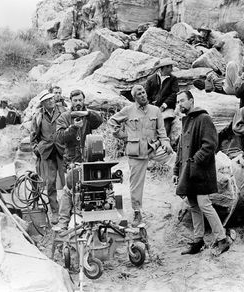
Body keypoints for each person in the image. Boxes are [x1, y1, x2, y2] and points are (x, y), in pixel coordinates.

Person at [173, 90, 230, 256]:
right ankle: (198, 241)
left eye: (182, 100)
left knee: (204, 203)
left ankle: (222, 239)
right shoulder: (186, 121)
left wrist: (195, 161)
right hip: (187, 171)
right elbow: (180, 148)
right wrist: (177, 169)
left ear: (191, 101)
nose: (180, 104)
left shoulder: (203, 118)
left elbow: (211, 144)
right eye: (178, 102)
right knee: (194, 205)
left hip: (201, 170)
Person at [108, 85, 174, 226]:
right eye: (139, 94)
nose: (143, 95)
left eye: (144, 92)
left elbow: (161, 131)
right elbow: (112, 121)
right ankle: (137, 212)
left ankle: (186, 195)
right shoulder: (128, 110)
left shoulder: (155, 110)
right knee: (136, 185)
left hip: (153, 148)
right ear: (134, 97)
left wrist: (166, 143)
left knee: (176, 160)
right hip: (136, 151)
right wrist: (124, 136)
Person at [53, 89, 103, 231]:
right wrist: (73, 128)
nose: (78, 103)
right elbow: (59, 137)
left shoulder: (87, 115)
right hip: (72, 159)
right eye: (75, 100)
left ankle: (90, 217)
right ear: (71, 101)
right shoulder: (64, 116)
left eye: (80, 100)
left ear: (83, 100)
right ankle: (64, 221)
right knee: (69, 189)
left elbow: (99, 121)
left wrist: (87, 113)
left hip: (89, 159)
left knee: (90, 188)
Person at [30, 90, 66, 224]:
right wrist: (36, 149)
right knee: (50, 184)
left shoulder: (63, 111)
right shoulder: (38, 116)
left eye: (52, 99)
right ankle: (55, 212)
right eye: (48, 100)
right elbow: (33, 135)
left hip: (63, 150)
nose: (51, 101)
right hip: (47, 152)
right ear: (43, 103)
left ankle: (73, 210)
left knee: (70, 181)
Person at [145, 58, 179, 139]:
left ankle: (164, 143)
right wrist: (151, 106)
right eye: (170, 67)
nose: (172, 69)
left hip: (167, 107)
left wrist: (164, 105)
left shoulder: (173, 79)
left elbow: (174, 94)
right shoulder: (151, 79)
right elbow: (146, 95)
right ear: (164, 68)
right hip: (152, 107)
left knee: (166, 122)